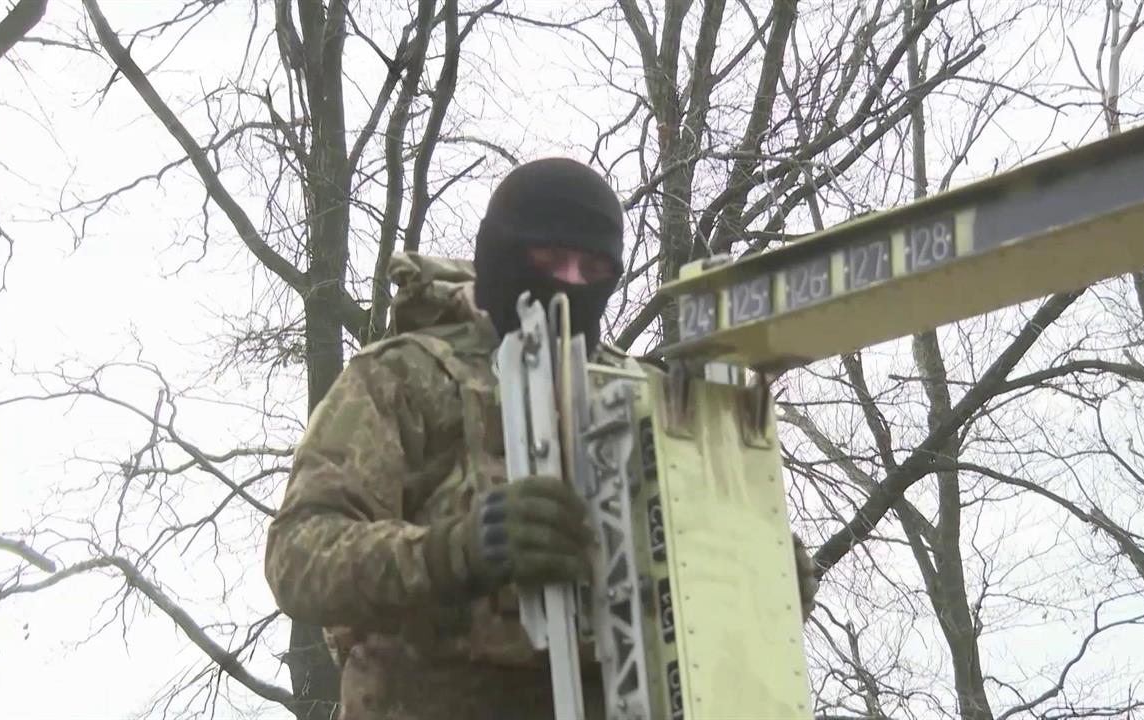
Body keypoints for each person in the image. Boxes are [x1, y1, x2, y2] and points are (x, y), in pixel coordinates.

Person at [264, 158, 821, 720]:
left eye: (593, 268)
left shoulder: (642, 396)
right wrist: (457, 549)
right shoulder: (404, 378)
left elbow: (693, 591)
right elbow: (298, 555)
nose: (572, 284)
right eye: (552, 260)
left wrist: (765, 580)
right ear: (502, 255)